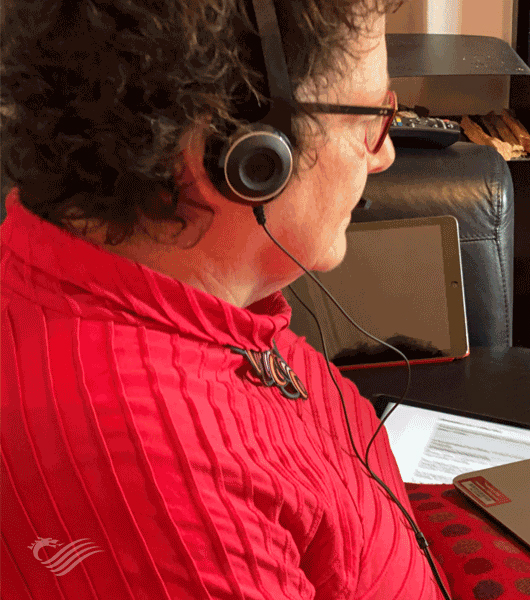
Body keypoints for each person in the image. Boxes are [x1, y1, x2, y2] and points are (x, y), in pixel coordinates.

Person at [1, 2, 448, 598]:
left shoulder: (195, 299)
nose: (383, 154)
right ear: (244, 151)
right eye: (372, 117)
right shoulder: (155, 468)